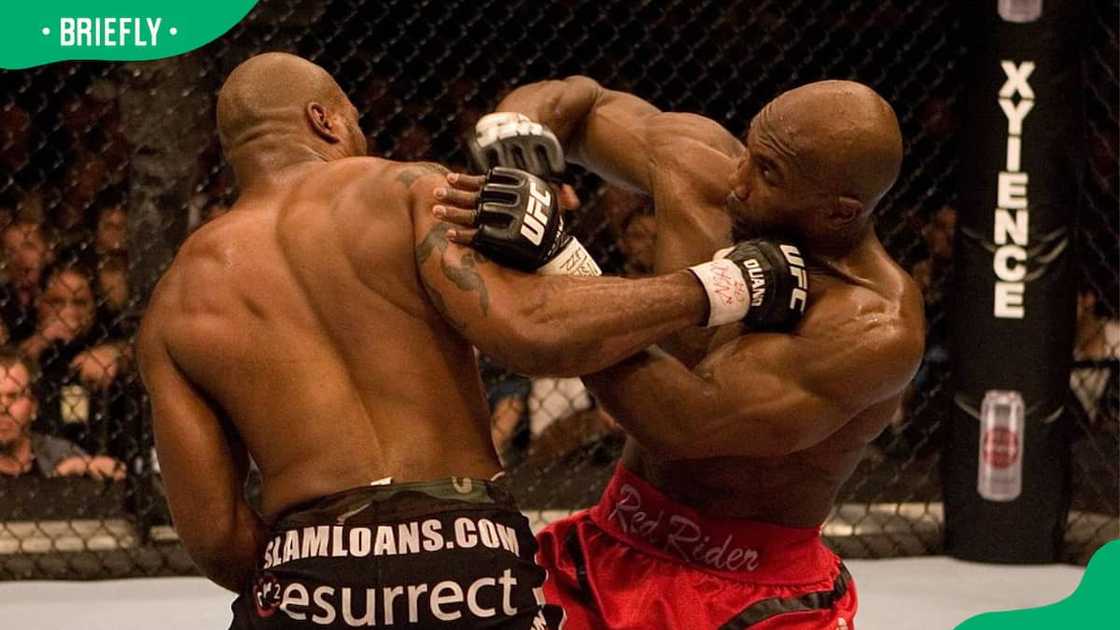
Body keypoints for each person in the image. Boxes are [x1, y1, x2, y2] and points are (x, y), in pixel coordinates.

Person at [136, 53, 808, 630]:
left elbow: (218, 538)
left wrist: (331, 572)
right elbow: (534, 333)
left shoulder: (174, 303)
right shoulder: (409, 192)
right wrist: (724, 285)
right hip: (466, 556)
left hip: (308, 571)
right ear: (324, 119)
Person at [440, 76, 926, 628]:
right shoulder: (706, 170)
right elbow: (581, 102)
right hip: (606, 544)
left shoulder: (873, 325)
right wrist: (521, 155)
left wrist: (557, 258)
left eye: (769, 174)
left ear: (840, 212)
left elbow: (680, 425)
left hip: (753, 592)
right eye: (751, 149)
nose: (738, 181)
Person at [0, 347, 122, 480]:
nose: (3, 408)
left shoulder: (61, 453)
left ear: (33, 407)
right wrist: (56, 480)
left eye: (13, 396)